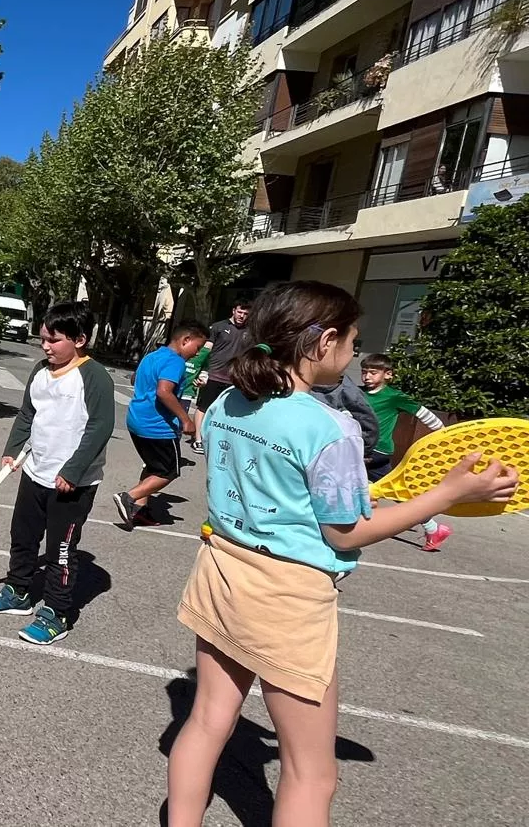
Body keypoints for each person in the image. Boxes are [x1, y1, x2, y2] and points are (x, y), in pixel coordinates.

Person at [163, 281, 516, 827]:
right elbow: (345, 533)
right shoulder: (330, 427)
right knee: (312, 773)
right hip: (287, 596)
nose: (354, 354)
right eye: (352, 340)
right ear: (325, 340)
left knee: (208, 722)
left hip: (221, 569)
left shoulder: (230, 400)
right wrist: (446, 495)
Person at [0, 302, 115, 645]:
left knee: (60, 551)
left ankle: (58, 611)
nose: (46, 347)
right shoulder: (40, 370)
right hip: (35, 471)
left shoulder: (93, 376)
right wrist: (14, 448)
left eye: (54, 340)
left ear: (79, 339)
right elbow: (27, 414)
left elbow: (101, 426)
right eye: (43, 340)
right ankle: (18, 591)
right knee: (22, 536)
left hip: (72, 483)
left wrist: (74, 469)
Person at [114, 321, 208, 530]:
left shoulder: (152, 356)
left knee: (153, 466)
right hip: (158, 426)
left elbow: (134, 379)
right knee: (169, 471)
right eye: (198, 347)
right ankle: (129, 497)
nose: (197, 353)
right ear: (185, 340)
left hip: (136, 420)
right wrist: (185, 419)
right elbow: (163, 391)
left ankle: (139, 509)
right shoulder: (175, 362)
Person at [360, 353, 452, 551]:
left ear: (388, 375)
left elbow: (423, 413)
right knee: (397, 490)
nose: (367, 377)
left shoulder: (394, 397)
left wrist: (445, 435)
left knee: (338, 477)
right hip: (363, 449)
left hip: (375, 450)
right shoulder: (357, 393)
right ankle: (433, 529)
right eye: (364, 372)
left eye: (373, 373)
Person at [191, 300, 251, 454]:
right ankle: (198, 439)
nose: (242, 316)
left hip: (234, 379)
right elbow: (206, 350)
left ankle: (215, 440)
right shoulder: (218, 327)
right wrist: (198, 371)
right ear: (233, 310)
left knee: (227, 412)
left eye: (245, 314)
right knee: (204, 407)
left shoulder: (250, 332)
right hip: (213, 375)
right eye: (239, 312)